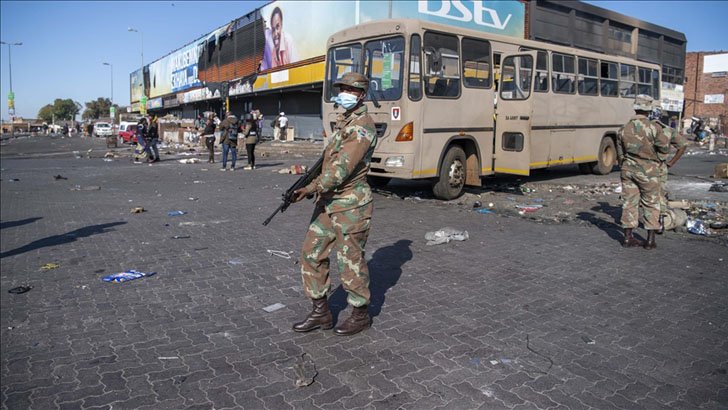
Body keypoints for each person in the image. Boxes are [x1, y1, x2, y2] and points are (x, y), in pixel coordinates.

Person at [291, 72, 377, 336]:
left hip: (351, 205)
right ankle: (321, 312)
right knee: (311, 253)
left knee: (349, 260)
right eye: (342, 88)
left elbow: (341, 169)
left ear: (361, 95)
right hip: (328, 202)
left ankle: (360, 314)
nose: (344, 93)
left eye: (350, 90)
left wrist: (310, 188)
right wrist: (308, 178)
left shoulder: (362, 127)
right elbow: (328, 162)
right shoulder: (344, 122)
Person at [616, 94, 670, 249]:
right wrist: (656, 158)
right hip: (649, 171)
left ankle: (627, 238)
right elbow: (664, 148)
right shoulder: (654, 127)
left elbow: (620, 153)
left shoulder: (623, 128)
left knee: (629, 203)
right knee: (651, 203)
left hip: (628, 170)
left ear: (635, 108)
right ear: (649, 109)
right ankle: (650, 241)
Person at [656, 120, 688, 234]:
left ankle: (631, 225)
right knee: (660, 194)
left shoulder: (641, 129)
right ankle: (660, 222)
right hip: (660, 166)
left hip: (642, 167)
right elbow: (683, 144)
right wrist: (671, 162)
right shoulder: (668, 130)